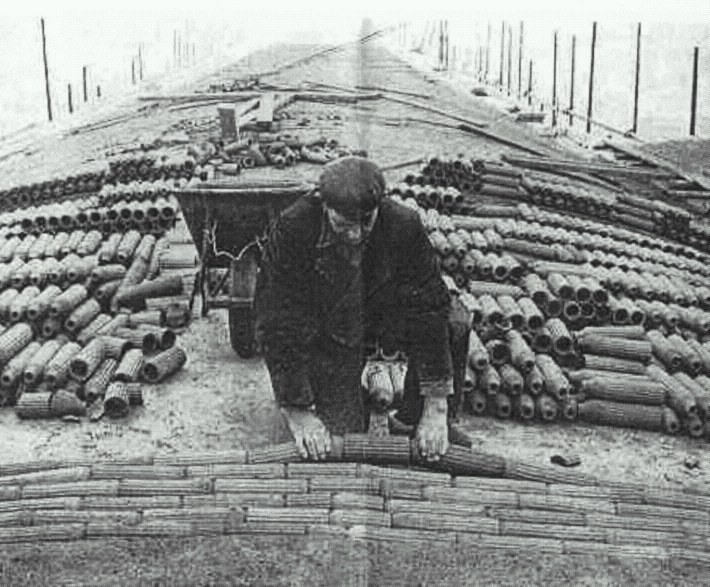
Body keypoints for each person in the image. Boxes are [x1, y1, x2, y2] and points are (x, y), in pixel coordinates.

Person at [255, 156, 457, 462]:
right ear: (323, 205)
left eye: (366, 222)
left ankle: (414, 416)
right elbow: (277, 321)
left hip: (383, 316)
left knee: (455, 321)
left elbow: (429, 307)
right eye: (344, 224)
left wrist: (436, 406)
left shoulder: (403, 224)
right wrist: (298, 411)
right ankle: (334, 395)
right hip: (329, 330)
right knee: (340, 440)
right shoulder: (294, 228)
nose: (356, 235)